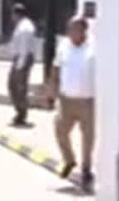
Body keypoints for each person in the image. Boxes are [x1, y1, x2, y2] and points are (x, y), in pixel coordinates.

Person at [48, 16, 95, 189]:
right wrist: (51, 90)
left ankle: (86, 169)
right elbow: (56, 68)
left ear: (83, 31)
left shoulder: (94, 48)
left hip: (87, 100)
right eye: (69, 29)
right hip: (66, 99)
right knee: (60, 130)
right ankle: (69, 160)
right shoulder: (63, 45)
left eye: (74, 29)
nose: (70, 32)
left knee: (88, 138)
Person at [7, 3, 36, 127]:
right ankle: (19, 112)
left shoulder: (25, 28)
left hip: (22, 59)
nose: (12, 17)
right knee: (13, 86)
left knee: (19, 87)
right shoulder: (22, 25)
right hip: (19, 58)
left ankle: (22, 114)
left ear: (16, 14)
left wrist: (19, 65)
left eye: (13, 14)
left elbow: (24, 48)